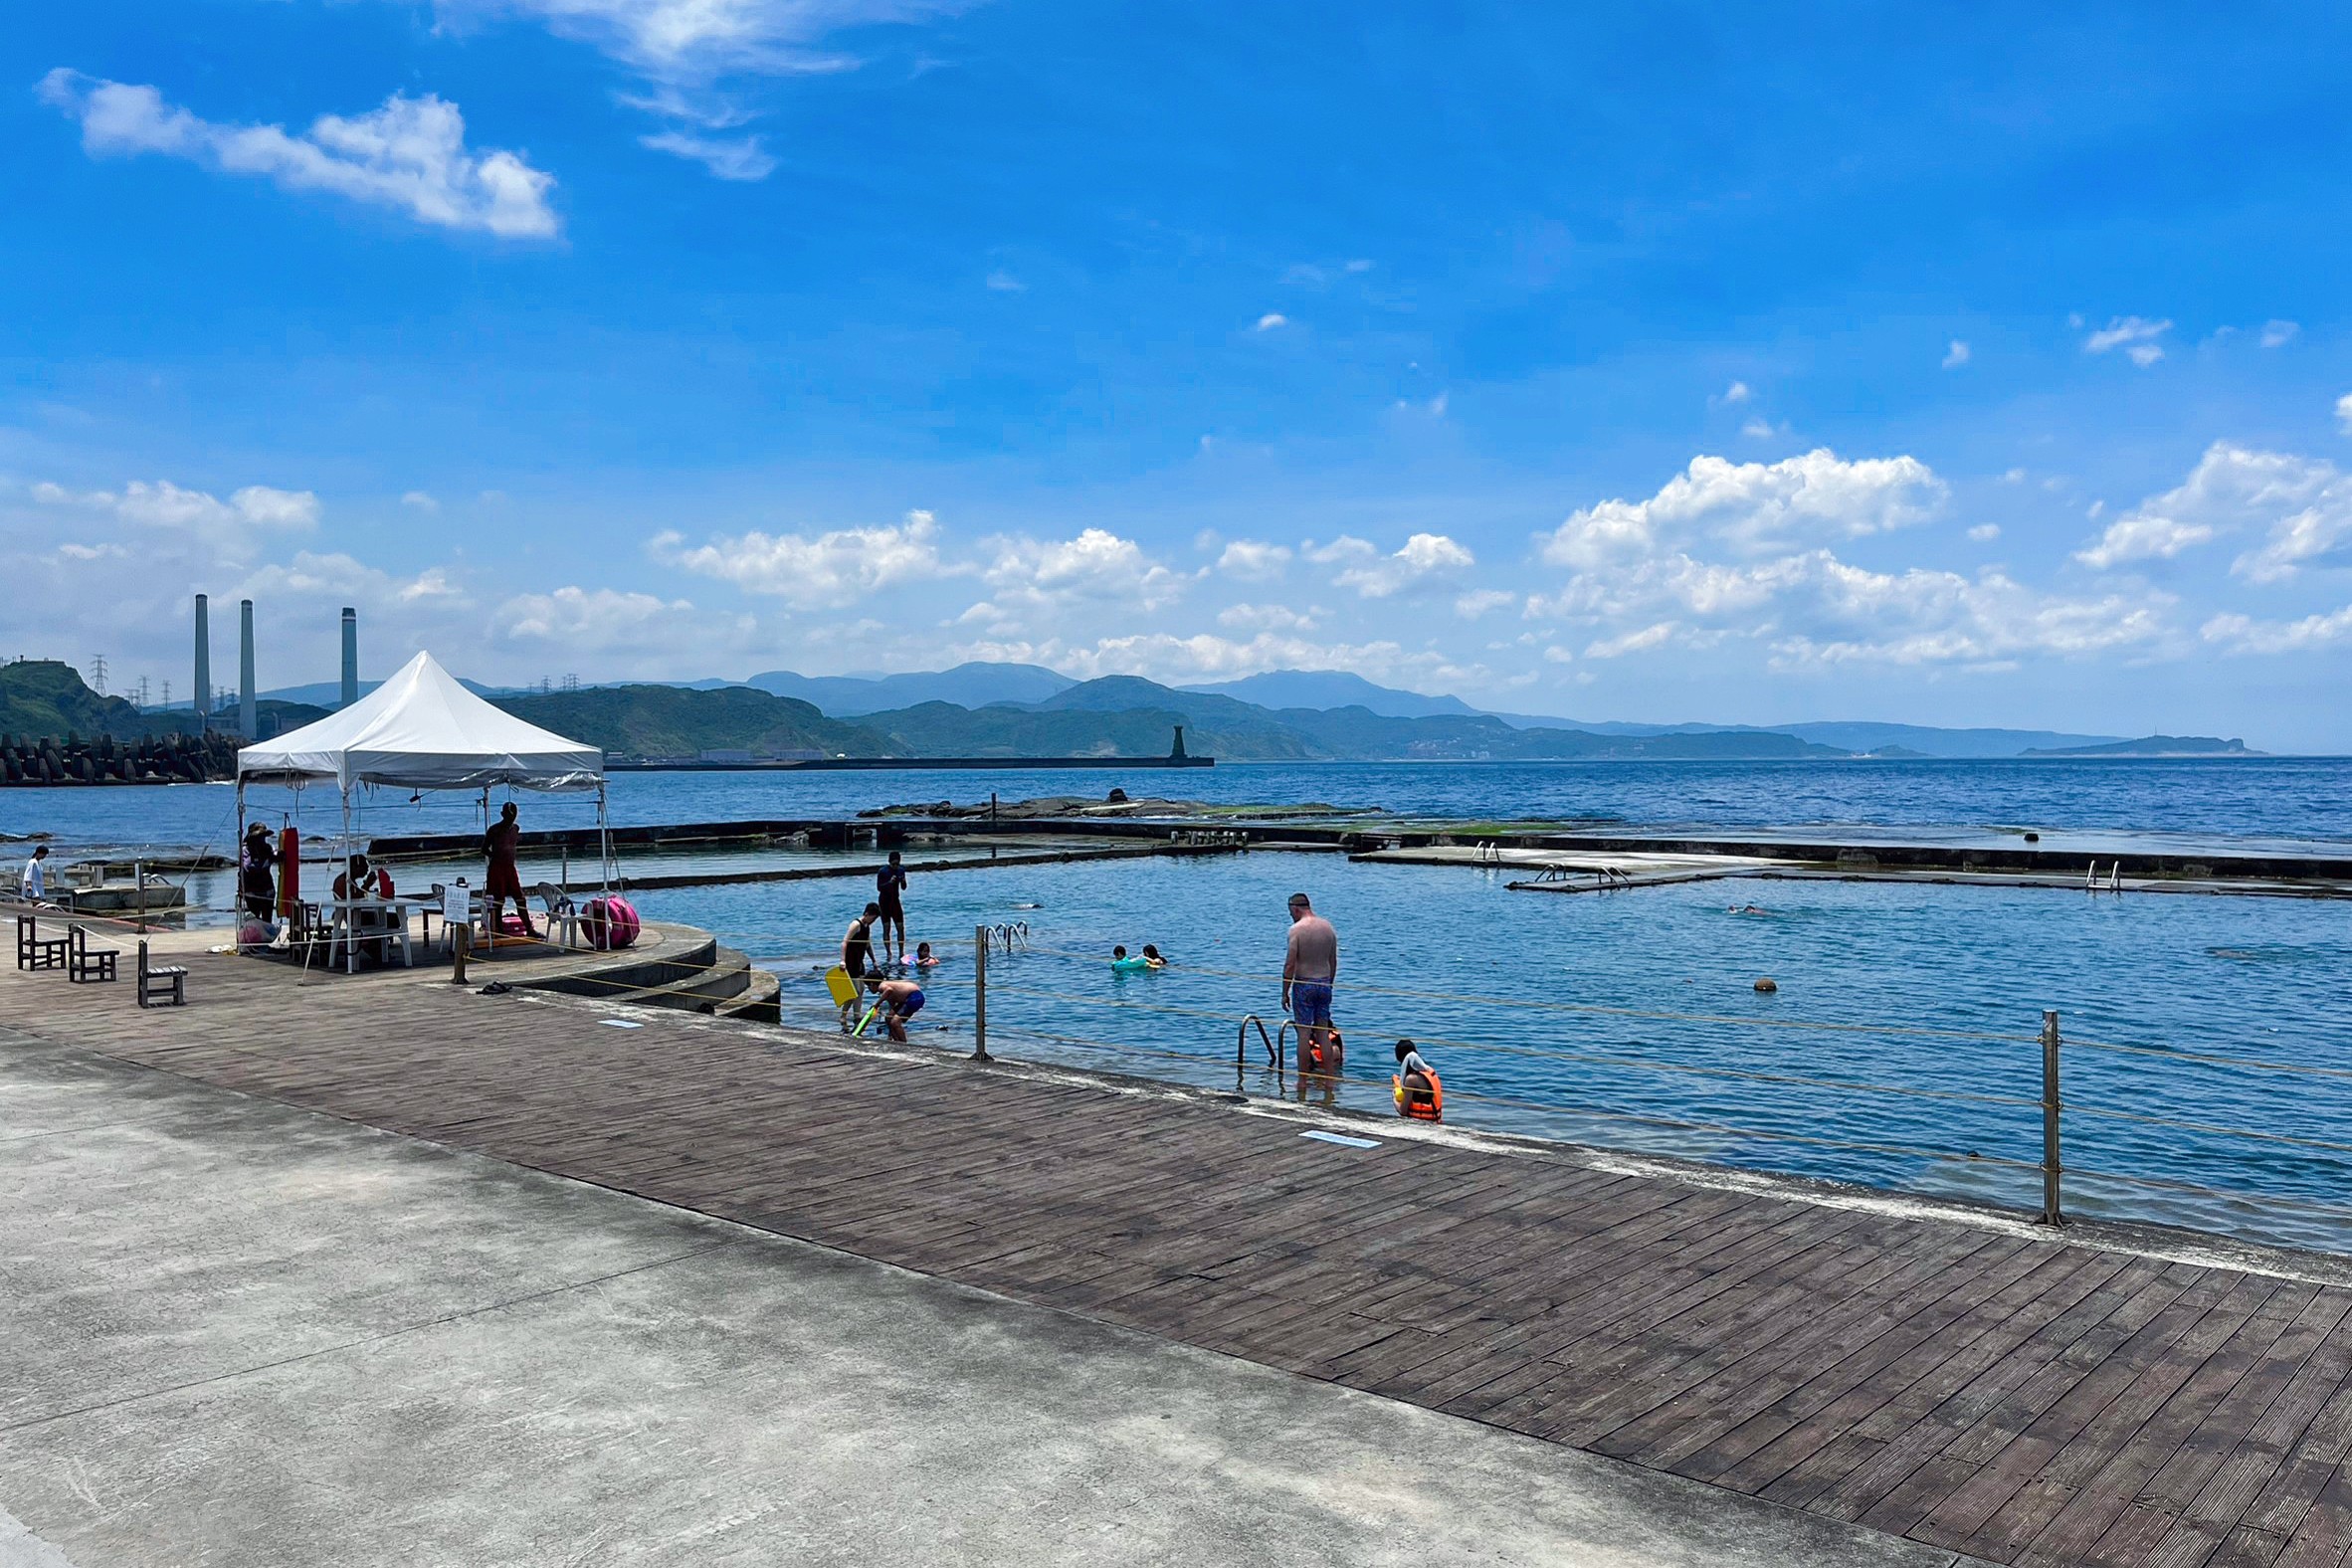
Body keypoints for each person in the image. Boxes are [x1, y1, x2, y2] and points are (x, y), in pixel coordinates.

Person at [1282, 891, 1340, 1076]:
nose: (1291, 916)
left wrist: (1285, 992)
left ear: (1295, 909)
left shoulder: (1296, 930)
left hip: (1304, 984)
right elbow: (1333, 961)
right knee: (1323, 1032)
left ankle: (1302, 1079)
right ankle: (1330, 1078)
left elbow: (1290, 963)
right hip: (1324, 983)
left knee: (1304, 1033)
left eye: (1290, 912)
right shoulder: (1328, 927)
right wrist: (1329, 984)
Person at [484, 801, 539, 938]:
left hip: (510, 867)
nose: (511, 818)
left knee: (520, 898)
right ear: (502, 814)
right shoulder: (494, 830)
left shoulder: (516, 829)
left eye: (513, 815)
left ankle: (529, 928)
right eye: (508, 815)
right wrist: (494, 856)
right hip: (497, 867)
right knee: (498, 900)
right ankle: (498, 928)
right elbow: (484, 849)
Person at [840, 902, 882, 1028]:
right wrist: (842, 960)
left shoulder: (867, 927)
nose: (873, 921)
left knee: (861, 990)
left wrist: (874, 960)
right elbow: (844, 942)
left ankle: (857, 1016)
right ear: (867, 914)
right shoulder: (856, 925)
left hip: (860, 962)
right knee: (854, 991)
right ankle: (843, 1015)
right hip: (850, 962)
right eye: (873, 918)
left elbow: (867, 945)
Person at [1393, 1039, 1443, 1122]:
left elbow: (1403, 1111)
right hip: (1436, 1120)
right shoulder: (1429, 1071)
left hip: (1423, 1124)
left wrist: (1394, 1097)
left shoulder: (1411, 1080)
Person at [239, 824, 276, 922]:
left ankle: (266, 933)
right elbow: (248, 867)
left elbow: (274, 857)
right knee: (255, 917)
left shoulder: (268, 848)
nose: (261, 840)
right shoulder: (246, 850)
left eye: (263, 837)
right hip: (252, 892)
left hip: (267, 890)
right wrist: (266, 861)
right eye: (259, 837)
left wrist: (277, 857)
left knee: (267, 919)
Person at [877, 850, 908, 964]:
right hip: (884, 902)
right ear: (889, 862)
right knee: (887, 928)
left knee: (900, 927)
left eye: (897, 864)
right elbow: (879, 888)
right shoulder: (883, 871)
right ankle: (888, 952)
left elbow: (904, 887)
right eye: (893, 864)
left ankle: (901, 951)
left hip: (895, 901)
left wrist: (903, 881)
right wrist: (889, 882)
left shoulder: (901, 870)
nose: (895, 866)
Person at [872, 975, 925, 1042]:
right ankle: (895, 1040)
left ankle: (903, 1043)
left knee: (895, 1022)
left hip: (914, 997)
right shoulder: (888, 991)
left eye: (869, 987)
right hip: (907, 999)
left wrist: (877, 1004)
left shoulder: (882, 986)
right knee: (888, 1018)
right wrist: (890, 1035)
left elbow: (889, 990)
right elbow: (892, 1006)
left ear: (872, 984)